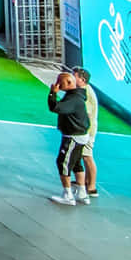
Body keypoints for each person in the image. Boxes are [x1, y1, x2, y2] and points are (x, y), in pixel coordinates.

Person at [48, 70, 91, 205]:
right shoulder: (76, 95)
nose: (57, 85)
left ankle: (68, 195)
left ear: (68, 83)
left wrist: (52, 93)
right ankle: (82, 193)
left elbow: (55, 107)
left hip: (73, 136)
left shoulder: (73, 99)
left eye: (60, 83)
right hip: (80, 135)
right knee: (76, 163)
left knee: (63, 163)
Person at [73, 66, 99, 202]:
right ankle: (87, 182)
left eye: (74, 76)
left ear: (82, 79)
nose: (72, 77)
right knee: (85, 156)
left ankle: (92, 187)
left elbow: (87, 114)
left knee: (87, 156)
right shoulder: (83, 90)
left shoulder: (86, 93)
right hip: (86, 129)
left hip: (87, 130)